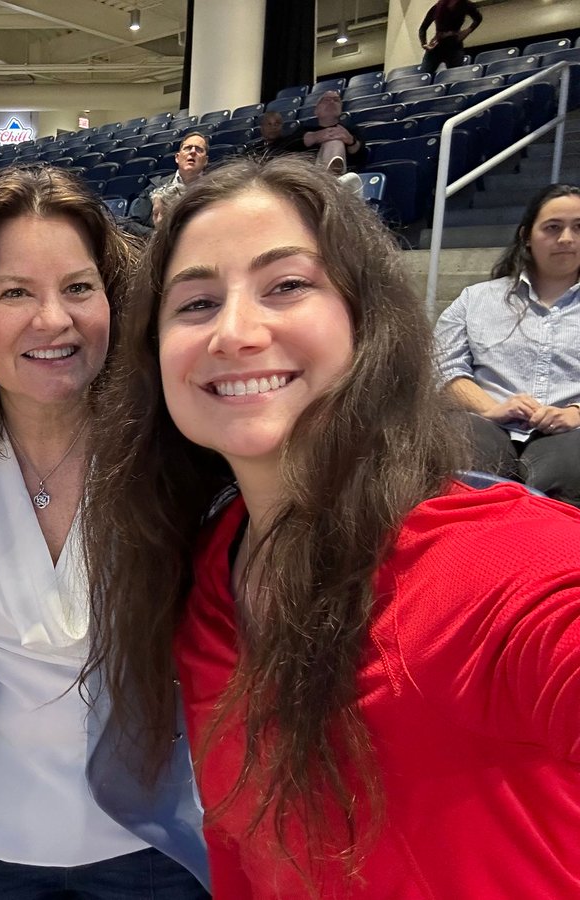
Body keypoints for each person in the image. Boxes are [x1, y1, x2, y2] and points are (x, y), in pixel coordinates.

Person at [84, 156, 580, 897]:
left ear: (364, 322)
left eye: (286, 286)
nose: (235, 331)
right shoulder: (206, 576)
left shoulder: (504, 565)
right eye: (195, 304)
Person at [0, 164, 210, 899]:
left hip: (152, 849)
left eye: (79, 287)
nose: (53, 320)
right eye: (17, 292)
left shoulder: (178, 452)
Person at [434, 183, 580, 505]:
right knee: (460, 452)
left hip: (572, 432)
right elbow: (442, 366)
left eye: (578, 227)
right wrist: (489, 408)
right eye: (553, 227)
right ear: (527, 235)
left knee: (572, 469)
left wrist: (576, 412)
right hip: (484, 422)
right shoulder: (477, 299)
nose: (567, 239)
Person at [126, 132, 209, 237]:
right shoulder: (155, 186)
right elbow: (131, 225)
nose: (193, 152)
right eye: (187, 148)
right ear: (177, 158)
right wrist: (160, 238)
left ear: (205, 160)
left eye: (199, 149)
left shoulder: (214, 190)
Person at [420, 0, 482, 72]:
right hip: (437, 45)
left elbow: (478, 18)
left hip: (454, 45)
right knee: (424, 74)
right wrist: (424, 44)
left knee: (455, 74)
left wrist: (467, 31)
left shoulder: (465, 5)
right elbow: (423, 28)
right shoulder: (437, 7)